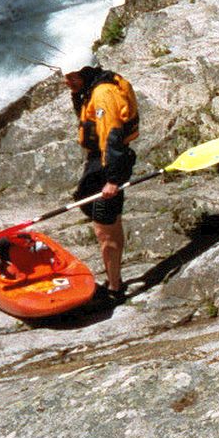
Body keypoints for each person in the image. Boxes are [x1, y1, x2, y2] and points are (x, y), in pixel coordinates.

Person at [63, 65, 141, 301]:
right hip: (101, 163)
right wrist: (77, 93)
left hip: (108, 167)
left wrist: (113, 180)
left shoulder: (104, 93)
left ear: (85, 73)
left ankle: (114, 289)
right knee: (108, 222)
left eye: (72, 77)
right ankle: (114, 279)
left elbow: (113, 136)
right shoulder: (90, 90)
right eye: (66, 78)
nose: (68, 82)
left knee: (104, 228)